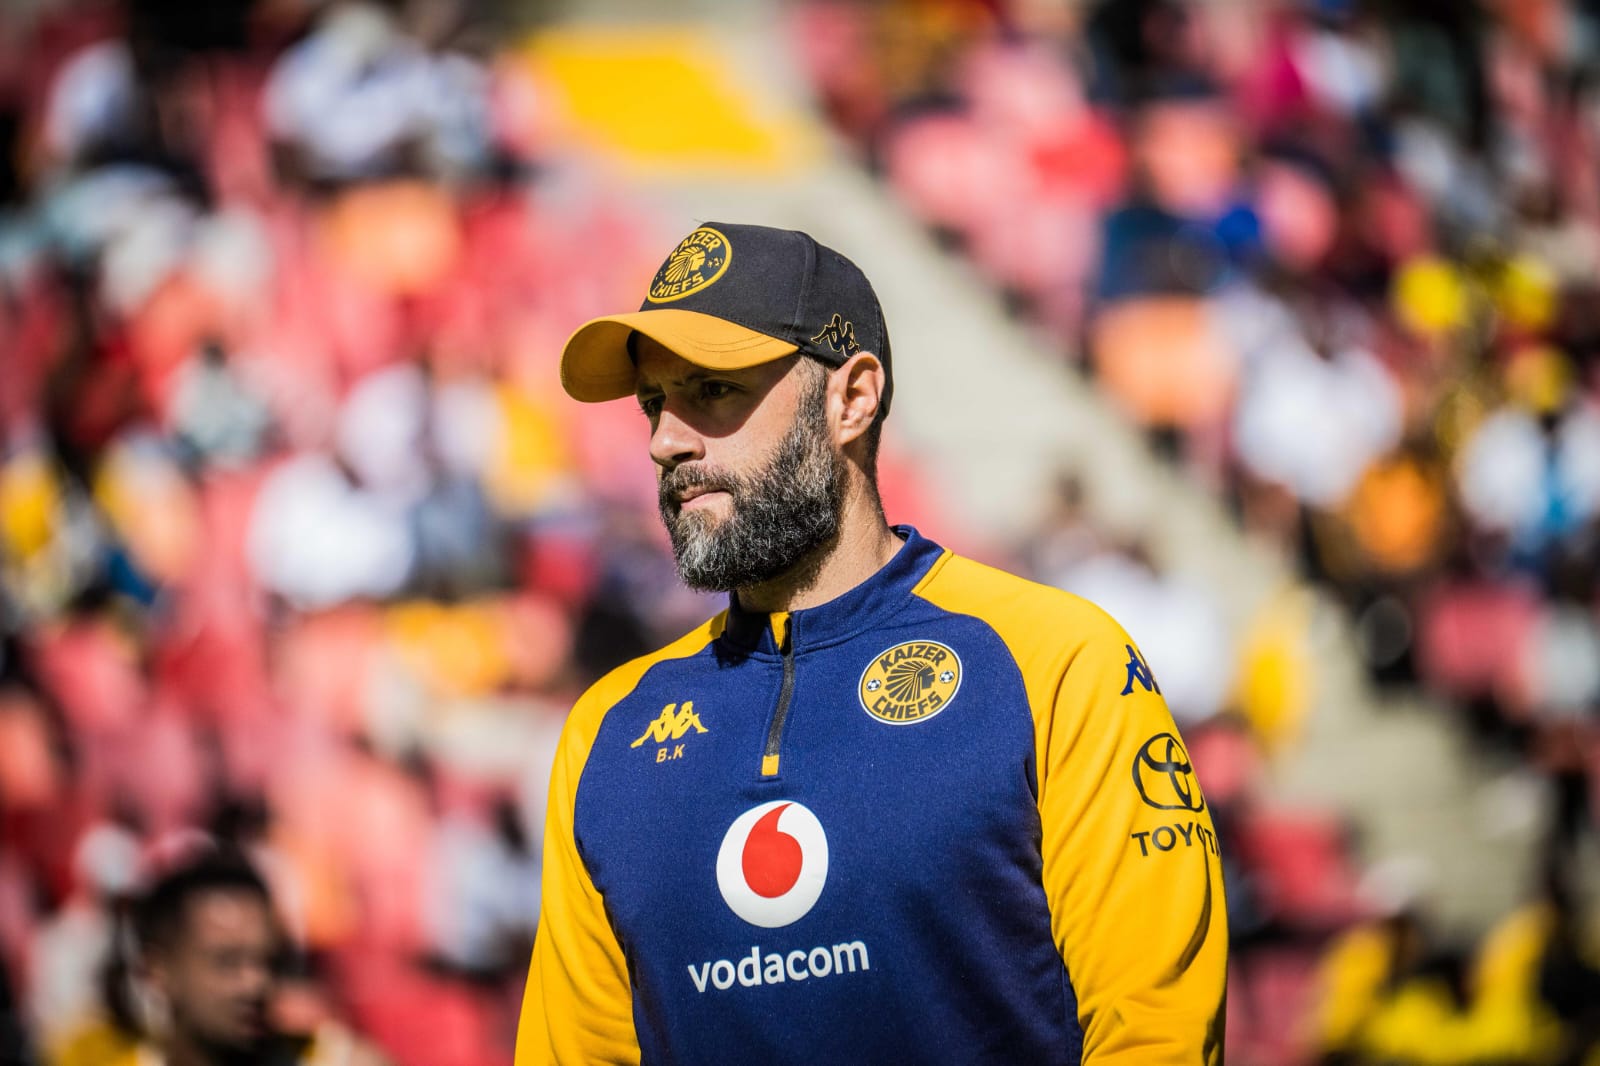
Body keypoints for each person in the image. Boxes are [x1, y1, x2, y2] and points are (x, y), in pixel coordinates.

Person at [517, 222, 1227, 1063]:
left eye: (711, 390)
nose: (665, 441)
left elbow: (1155, 1035)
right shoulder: (607, 733)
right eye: (652, 403)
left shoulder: (1057, 661)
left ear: (851, 398)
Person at [52, 846, 388, 1066]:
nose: (255, 983)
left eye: (268, 961)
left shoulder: (335, 1059)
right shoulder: (89, 1056)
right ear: (156, 970)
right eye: (227, 962)